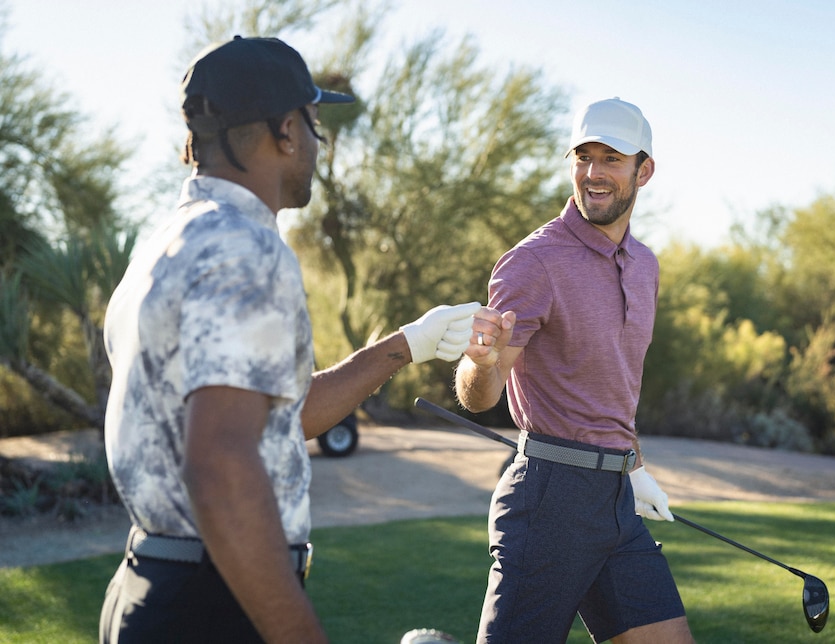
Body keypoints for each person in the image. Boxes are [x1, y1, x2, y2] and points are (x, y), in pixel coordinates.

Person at [99, 36, 480, 644]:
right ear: (285, 131)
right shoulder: (246, 250)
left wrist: (405, 344)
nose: (317, 143)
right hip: (211, 606)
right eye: (313, 123)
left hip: (153, 585)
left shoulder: (165, 246)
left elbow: (279, 415)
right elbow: (221, 463)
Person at [456, 97, 694, 643]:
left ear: (644, 170)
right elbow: (481, 393)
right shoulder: (534, 262)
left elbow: (615, 386)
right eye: (583, 157)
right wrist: (480, 363)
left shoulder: (645, 267)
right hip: (550, 501)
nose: (594, 174)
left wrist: (634, 465)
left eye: (611, 158)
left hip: (616, 501)